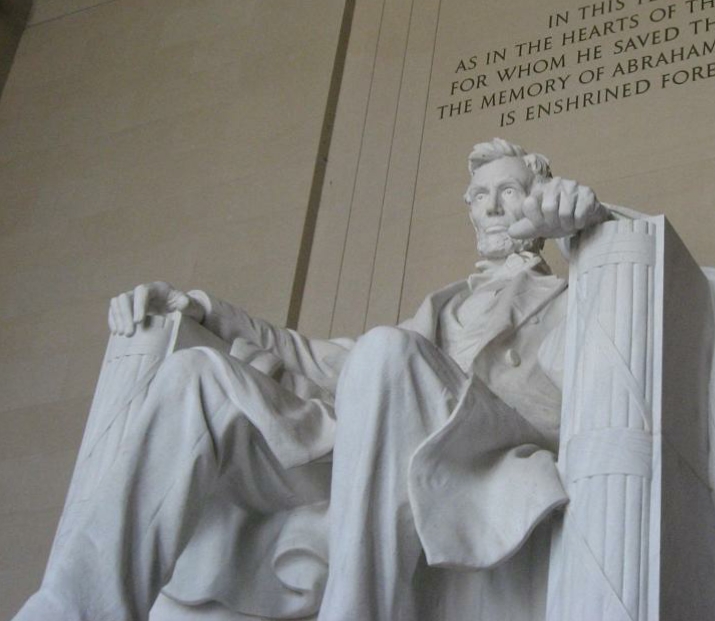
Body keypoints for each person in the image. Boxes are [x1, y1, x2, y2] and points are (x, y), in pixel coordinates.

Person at [14, 138, 612, 621]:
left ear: (540, 198)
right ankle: (75, 608)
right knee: (194, 373)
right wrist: (209, 311)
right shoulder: (441, 306)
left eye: (509, 191)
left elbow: (615, 360)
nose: (493, 207)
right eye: (480, 195)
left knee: (385, 352)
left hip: (479, 450)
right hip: (372, 439)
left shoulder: (574, 295)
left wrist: (591, 229)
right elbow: (328, 360)